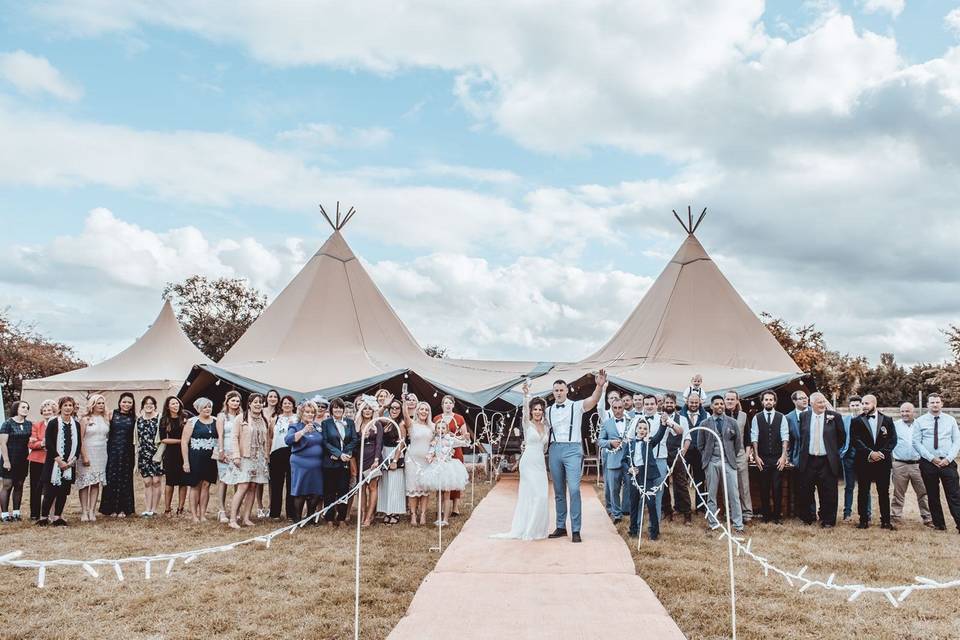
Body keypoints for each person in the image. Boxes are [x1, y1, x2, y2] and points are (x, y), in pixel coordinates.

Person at [546, 370, 606, 544]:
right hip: (555, 449)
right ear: (553, 392)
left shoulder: (576, 405)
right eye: (556, 390)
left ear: (567, 391)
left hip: (573, 449)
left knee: (573, 489)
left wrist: (599, 386)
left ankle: (576, 529)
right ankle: (560, 526)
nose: (558, 393)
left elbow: (593, 400)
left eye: (561, 390)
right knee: (558, 491)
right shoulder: (548, 410)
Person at [491, 382, 550, 540]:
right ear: (531, 411)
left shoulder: (546, 427)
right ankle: (528, 530)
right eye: (535, 409)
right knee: (531, 495)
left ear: (543, 411)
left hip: (540, 463)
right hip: (528, 463)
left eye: (540, 409)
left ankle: (537, 529)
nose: (537, 412)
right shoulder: (527, 424)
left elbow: (544, 448)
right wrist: (526, 395)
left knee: (542, 495)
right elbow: (524, 411)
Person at [691, 395, 744, 533]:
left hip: (728, 462)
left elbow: (737, 443)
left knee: (734, 493)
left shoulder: (732, 422)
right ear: (712, 406)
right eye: (717, 404)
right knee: (711, 493)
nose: (720, 406)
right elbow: (700, 444)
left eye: (722, 403)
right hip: (712, 462)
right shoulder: (705, 423)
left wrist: (730, 456)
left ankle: (738, 524)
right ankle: (713, 522)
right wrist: (707, 458)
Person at [912, 393, 960, 532]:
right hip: (929, 463)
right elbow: (916, 442)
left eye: (937, 402)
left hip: (947, 462)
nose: (935, 405)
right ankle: (939, 524)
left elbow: (956, 441)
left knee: (954, 495)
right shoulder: (920, 421)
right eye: (932, 402)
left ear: (942, 404)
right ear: (927, 405)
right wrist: (931, 458)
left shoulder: (950, 420)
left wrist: (948, 459)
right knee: (932, 495)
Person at [796, 392, 845, 528]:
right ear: (811, 404)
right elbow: (803, 436)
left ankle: (828, 520)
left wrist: (831, 450)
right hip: (809, 460)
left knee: (828, 491)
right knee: (806, 490)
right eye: (819, 402)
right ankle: (807, 517)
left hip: (827, 461)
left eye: (824, 401)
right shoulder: (804, 416)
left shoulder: (835, 417)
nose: (823, 404)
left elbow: (841, 437)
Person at [849, 394, 897, 530]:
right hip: (864, 461)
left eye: (866, 403)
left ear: (874, 404)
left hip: (883, 462)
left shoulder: (887, 420)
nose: (863, 406)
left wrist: (881, 453)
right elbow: (855, 440)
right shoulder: (857, 421)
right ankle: (863, 520)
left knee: (883, 491)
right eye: (862, 404)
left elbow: (892, 440)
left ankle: (886, 521)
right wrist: (870, 453)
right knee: (863, 491)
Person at [37, 396, 81, 527]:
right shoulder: (53, 422)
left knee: (63, 491)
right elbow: (49, 443)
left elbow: (78, 444)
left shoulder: (76, 424)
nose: (68, 408)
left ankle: (57, 517)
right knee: (50, 492)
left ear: (73, 408)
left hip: (69, 463)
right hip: (54, 462)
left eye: (70, 405)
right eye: (65, 405)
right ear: (60, 407)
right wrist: (59, 460)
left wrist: (72, 461)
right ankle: (44, 517)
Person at [419, 413, 470, 526]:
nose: (441, 430)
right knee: (439, 494)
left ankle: (445, 519)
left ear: (446, 429)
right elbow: (430, 452)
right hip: (436, 467)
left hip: (447, 467)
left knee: (447, 493)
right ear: (436, 430)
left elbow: (465, 444)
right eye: (438, 428)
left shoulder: (451, 440)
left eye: (443, 428)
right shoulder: (434, 441)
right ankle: (438, 517)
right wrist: (430, 457)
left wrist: (466, 438)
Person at [228, 393, 270, 529]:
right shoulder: (241, 418)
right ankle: (233, 519)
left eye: (260, 402)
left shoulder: (264, 420)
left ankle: (246, 518)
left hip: (259, 457)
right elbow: (234, 437)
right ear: (250, 404)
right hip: (245, 456)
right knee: (243, 486)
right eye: (255, 402)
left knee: (253, 486)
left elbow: (266, 439)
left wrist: (266, 456)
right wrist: (236, 455)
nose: (258, 404)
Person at [626, 416, 669, 540]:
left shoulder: (649, 443)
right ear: (636, 430)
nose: (642, 430)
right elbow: (624, 460)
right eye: (640, 428)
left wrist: (663, 424)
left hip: (647, 475)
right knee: (634, 502)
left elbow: (659, 435)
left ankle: (654, 532)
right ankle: (633, 530)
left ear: (648, 431)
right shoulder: (630, 444)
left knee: (651, 503)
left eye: (645, 428)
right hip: (635, 475)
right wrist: (629, 468)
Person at [750, 390, 789, 523]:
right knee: (764, 487)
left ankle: (777, 516)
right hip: (763, 458)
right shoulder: (757, 417)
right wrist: (756, 455)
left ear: (774, 401)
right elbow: (754, 437)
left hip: (777, 457)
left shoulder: (781, 417)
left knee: (777, 487)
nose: (768, 402)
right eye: (766, 399)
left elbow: (785, 437)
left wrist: (783, 456)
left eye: (771, 399)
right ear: (762, 402)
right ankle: (766, 515)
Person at [890, 402, 933, 527]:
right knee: (898, 493)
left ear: (913, 412)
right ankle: (895, 517)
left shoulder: (920, 425)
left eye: (907, 411)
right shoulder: (895, 425)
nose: (904, 414)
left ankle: (927, 518)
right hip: (899, 464)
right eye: (902, 411)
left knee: (923, 492)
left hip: (918, 464)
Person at [285, 401, 325, 521]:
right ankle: (297, 518)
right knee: (300, 491)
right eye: (307, 412)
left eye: (312, 412)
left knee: (316, 492)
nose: (310, 414)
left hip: (317, 464)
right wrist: (303, 432)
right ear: (301, 413)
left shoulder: (317, 427)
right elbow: (288, 440)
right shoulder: (295, 426)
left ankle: (310, 517)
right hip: (300, 463)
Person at [181, 397, 219, 523]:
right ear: (198, 409)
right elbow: (184, 442)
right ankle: (194, 515)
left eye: (209, 406)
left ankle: (203, 514)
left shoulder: (216, 421)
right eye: (205, 407)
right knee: (195, 485)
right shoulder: (192, 422)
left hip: (211, 458)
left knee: (206, 485)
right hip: (195, 457)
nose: (208, 409)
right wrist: (186, 461)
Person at [99, 392, 137, 518]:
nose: (126, 404)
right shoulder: (111, 414)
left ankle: (123, 509)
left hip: (127, 451)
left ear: (132, 404)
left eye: (129, 402)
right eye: (124, 402)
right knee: (111, 478)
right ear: (120, 402)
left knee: (125, 479)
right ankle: (110, 509)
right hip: (113, 450)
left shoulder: (134, 417)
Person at [321, 398, 357, 526]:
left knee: (343, 491)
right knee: (329, 491)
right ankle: (329, 518)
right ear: (331, 409)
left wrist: (345, 454)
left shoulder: (350, 423)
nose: (338, 410)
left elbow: (354, 439)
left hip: (344, 463)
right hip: (330, 463)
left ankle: (341, 518)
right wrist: (337, 454)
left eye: (340, 408)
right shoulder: (326, 423)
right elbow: (325, 442)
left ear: (343, 410)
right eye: (335, 407)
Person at [433, 395, 470, 517]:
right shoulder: (437, 418)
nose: (448, 405)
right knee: (442, 478)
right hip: (441, 452)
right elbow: (433, 434)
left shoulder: (459, 418)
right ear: (442, 405)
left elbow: (464, 435)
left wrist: (462, 437)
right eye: (445, 403)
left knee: (455, 478)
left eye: (450, 403)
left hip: (455, 451)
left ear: (453, 405)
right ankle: (442, 507)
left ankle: (455, 507)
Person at [76, 394, 109, 522]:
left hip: (101, 453)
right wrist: (84, 456)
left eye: (102, 403)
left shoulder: (106, 419)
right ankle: (84, 511)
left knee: (95, 483)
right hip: (87, 451)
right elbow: (81, 439)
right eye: (98, 403)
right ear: (92, 405)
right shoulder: (85, 419)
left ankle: (92, 511)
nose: (101, 405)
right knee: (85, 483)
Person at [598, 398, 632, 523]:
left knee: (630, 487)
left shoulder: (631, 421)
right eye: (615, 408)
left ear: (624, 407)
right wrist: (610, 443)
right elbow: (600, 441)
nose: (617, 410)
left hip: (629, 460)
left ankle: (628, 510)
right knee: (614, 489)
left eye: (620, 408)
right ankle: (616, 514)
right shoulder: (606, 423)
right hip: (613, 461)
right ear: (611, 408)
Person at [215, 390, 244, 524]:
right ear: (227, 402)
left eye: (237, 401)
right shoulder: (222, 416)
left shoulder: (242, 416)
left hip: (237, 451)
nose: (235, 403)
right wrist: (221, 450)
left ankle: (236, 510)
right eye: (233, 400)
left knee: (238, 480)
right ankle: (221, 510)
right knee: (224, 481)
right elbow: (220, 435)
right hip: (225, 449)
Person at [1, 400, 32, 522]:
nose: (26, 409)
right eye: (23, 407)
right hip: (9, 458)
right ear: (16, 409)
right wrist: (6, 460)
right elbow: (3, 443)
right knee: (7, 485)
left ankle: (16, 513)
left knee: (19, 485)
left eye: (27, 407)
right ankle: (4, 514)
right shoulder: (7, 424)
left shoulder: (29, 424)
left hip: (23, 459)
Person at [377, 398, 407, 525]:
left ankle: (395, 512)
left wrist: (395, 460)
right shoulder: (387, 422)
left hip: (396, 455)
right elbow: (377, 416)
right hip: (385, 455)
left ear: (400, 410)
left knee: (395, 485)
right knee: (386, 484)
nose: (394, 410)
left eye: (397, 408)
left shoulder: (401, 424)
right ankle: (387, 511)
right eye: (392, 408)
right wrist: (384, 405)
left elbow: (401, 444)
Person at [660, 393, 689, 522]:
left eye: (671, 403)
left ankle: (686, 512)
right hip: (662, 454)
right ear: (663, 404)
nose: (669, 405)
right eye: (667, 402)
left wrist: (683, 451)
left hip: (677, 453)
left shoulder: (682, 418)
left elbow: (687, 436)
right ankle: (667, 511)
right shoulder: (658, 417)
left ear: (675, 404)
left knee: (681, 483)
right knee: (663, 484)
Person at [404, 400, 434, 526]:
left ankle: (423, 514)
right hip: (412, 459)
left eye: (426, 410)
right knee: (413, 487)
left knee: (424, 487)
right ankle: (413, 515)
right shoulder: (411, 424)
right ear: (417, 411)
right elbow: (405, 415)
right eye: (421, 409)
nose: (424, 411)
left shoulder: (432, 426)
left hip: (426, 460)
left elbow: (440, 439)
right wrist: (404, 402)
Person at [355, 398, 384, 527]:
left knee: (372, 487)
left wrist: (376, 459)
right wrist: (362, 437)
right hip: (359, 458)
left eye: (370, 409)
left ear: (373, 411)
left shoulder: (376, 424)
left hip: (373, 458)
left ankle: (369, 516)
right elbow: (353, 443)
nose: (367, 411)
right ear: (361, 411)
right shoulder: (357, 424)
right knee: (361, 488)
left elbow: (379, 443)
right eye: (365, 409)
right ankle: (362, 514)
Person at [725, 390, 753, 524]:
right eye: (728, 399)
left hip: (741, 454)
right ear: (724, 401)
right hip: (725, 454)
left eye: (732, 399)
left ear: (737, 401)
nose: (730, 401)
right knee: (730, 485)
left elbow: (748, 438)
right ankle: (732, 512)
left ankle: (747, 513)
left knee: (744, 485)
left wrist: (747, 455)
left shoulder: (743, 416)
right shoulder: (721, 415)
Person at [269, 395, 297, 521]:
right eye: (285, 403)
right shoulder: (275, 418)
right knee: (276, 484)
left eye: (289, 403)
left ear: (293, 405)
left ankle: (291, 513)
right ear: (281, 405)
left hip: (292, 452)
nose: (287, 405)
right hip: (276, 452)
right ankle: (275, 513)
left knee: (291, 484)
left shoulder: (297, 418)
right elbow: (270, 436)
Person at [159, 396, 188, 517]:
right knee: (170, 482)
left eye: (177, 403)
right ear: (168, 406)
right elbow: (163, 439)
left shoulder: (186, 416)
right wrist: (180, 441)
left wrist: (184, 443)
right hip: (171, 454)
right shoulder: (164, 420)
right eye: (172, 404)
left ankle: (180, 509)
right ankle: (167, 509)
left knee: (183, 482)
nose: (175, 406)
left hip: (185, 453)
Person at [679, 393, 708, 516]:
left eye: (696, 402)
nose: (694, 405)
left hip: (699, 452)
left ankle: (701, 508)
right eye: (691, 402)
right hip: (685, 451)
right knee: (681, 480)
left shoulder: (706, 415)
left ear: (700, 402)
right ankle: (682, 507)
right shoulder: (680, 415)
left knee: (700, 480)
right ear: (687, 402)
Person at [135, 396, 164, 518]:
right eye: (146, 403)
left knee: (156, 481)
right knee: (147, 482)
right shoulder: (139, 420)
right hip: (143, 454)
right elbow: (136, 440)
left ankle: (154, 509)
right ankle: (147, 508)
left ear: (155, 405)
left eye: (151, 403)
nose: (149, 405)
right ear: (142, 405)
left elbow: (163, 438)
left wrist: (160, 454)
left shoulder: (160, 418)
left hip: (156, 453)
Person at [27, 399, 56, 521]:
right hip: (37, 460)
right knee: (36, 487)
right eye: (44, 411)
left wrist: (41, 442)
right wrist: (42, 443)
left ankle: (51, 513)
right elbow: (31, 444)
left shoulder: (57, 423)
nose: (47, 412)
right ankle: (35, 513)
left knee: (51, 487)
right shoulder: (37, 425)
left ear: (54, 411)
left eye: (49, 410)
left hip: (53, 459)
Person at [840, 395, 867, 521]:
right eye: (853, 405)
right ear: (849, 407)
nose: (855, 407)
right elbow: (839, 437)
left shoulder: (867, 419)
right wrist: (841, 452)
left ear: (861, 406)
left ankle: (867, 513)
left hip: (863, 458)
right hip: (848, 457)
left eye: (858, 405)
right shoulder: (844, 420)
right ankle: (847, 513)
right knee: (849, 486)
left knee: (864, 486)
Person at [258, 388, 281, 518]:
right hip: (259, 446)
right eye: (270, 396)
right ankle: (260, 506)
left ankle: (273, 505)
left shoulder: (280, 413)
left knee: (273, 479)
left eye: (275, 397)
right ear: (266, 398)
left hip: (273, 447)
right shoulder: (260, 411)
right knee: (259, 479)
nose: (272, 398)